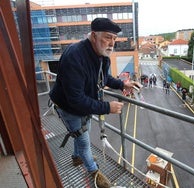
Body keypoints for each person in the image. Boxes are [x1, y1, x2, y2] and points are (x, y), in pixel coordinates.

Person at [49, 18, 140, 188]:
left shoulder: (102, 55)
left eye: (114, 39)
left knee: (80, 133)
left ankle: (77, 158)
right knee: (84, 140)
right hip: (69, 108)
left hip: (84, 104)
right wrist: (107, 107)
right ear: (93, 36)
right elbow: (75, 100)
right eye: (107, 37)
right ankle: (95, 173)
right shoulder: (74, 57)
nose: (111, 43)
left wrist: (122, 84)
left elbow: (103, 78)